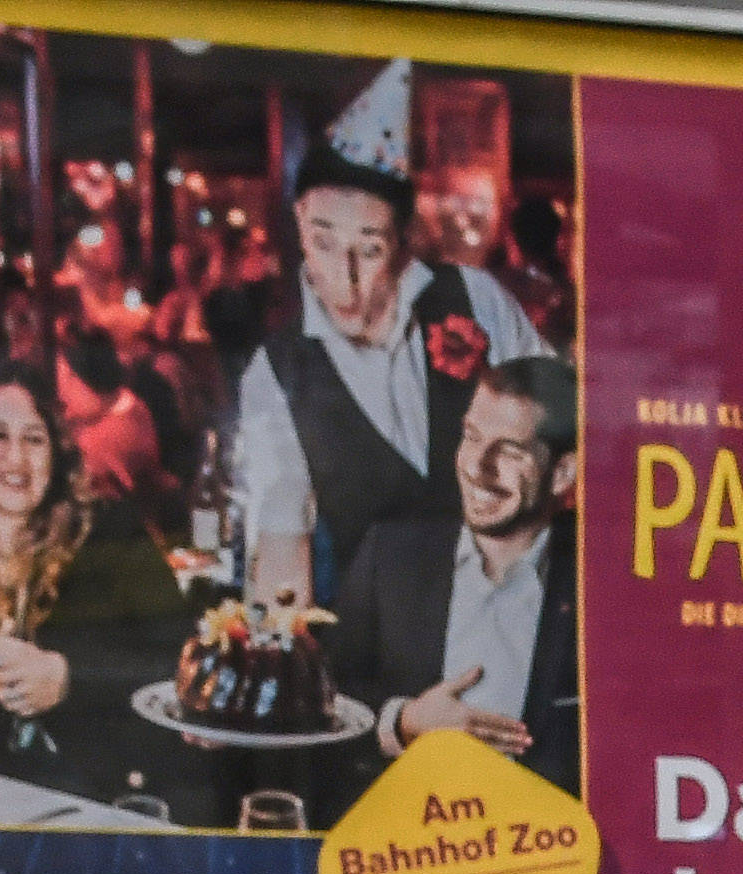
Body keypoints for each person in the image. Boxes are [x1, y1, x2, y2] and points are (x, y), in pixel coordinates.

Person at [231, 61, 551, 607]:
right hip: (380, 650)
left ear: (404, 241)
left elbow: (557, 424)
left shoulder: (474, 299)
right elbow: (282, 550)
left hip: (514, 610)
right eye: (323, 241)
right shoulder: (276, 373)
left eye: (370, 248)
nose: (345, 277)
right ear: (300, 222)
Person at [332, 356, 582, 798]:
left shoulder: (599, 579)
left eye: (509, 451)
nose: (476, 468)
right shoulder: (391, 555)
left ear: (562, 473)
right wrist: (403, 722)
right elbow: (324, 698)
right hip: (403, 845)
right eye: (472, 437)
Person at [0, 361, 183, 815]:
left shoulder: (112, 532)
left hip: (97, 798)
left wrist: (68, 678)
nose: (16, 459)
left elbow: (182, 661)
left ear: (56, 453)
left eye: (34, 439)